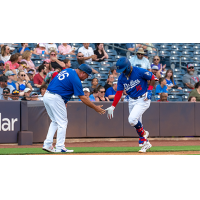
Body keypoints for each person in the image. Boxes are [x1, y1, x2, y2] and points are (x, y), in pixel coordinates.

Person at [42, 63, 105, 153]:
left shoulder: (67, 70)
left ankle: (48, 144)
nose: (87, 77)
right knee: (62, 122)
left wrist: (64, 101)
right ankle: (60, 147)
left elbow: (61, 84)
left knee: (55, 121)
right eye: (87, 75)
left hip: (47, 95)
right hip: (56, 97)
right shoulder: (76, 79)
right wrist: (95, 108)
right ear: (82, 73)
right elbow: (82, 98)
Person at [105, 57, 155, 153]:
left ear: (128, 67)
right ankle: (146, 143)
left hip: (143, 99)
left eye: (122, 70)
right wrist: (113, 106)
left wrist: (149, 90)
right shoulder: (121, 78)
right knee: (136, 122)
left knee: (132, 120)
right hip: (132, 100)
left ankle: (144, 134)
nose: (121, 72)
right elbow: (119, 92)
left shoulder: (139, 71)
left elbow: (152, 77)